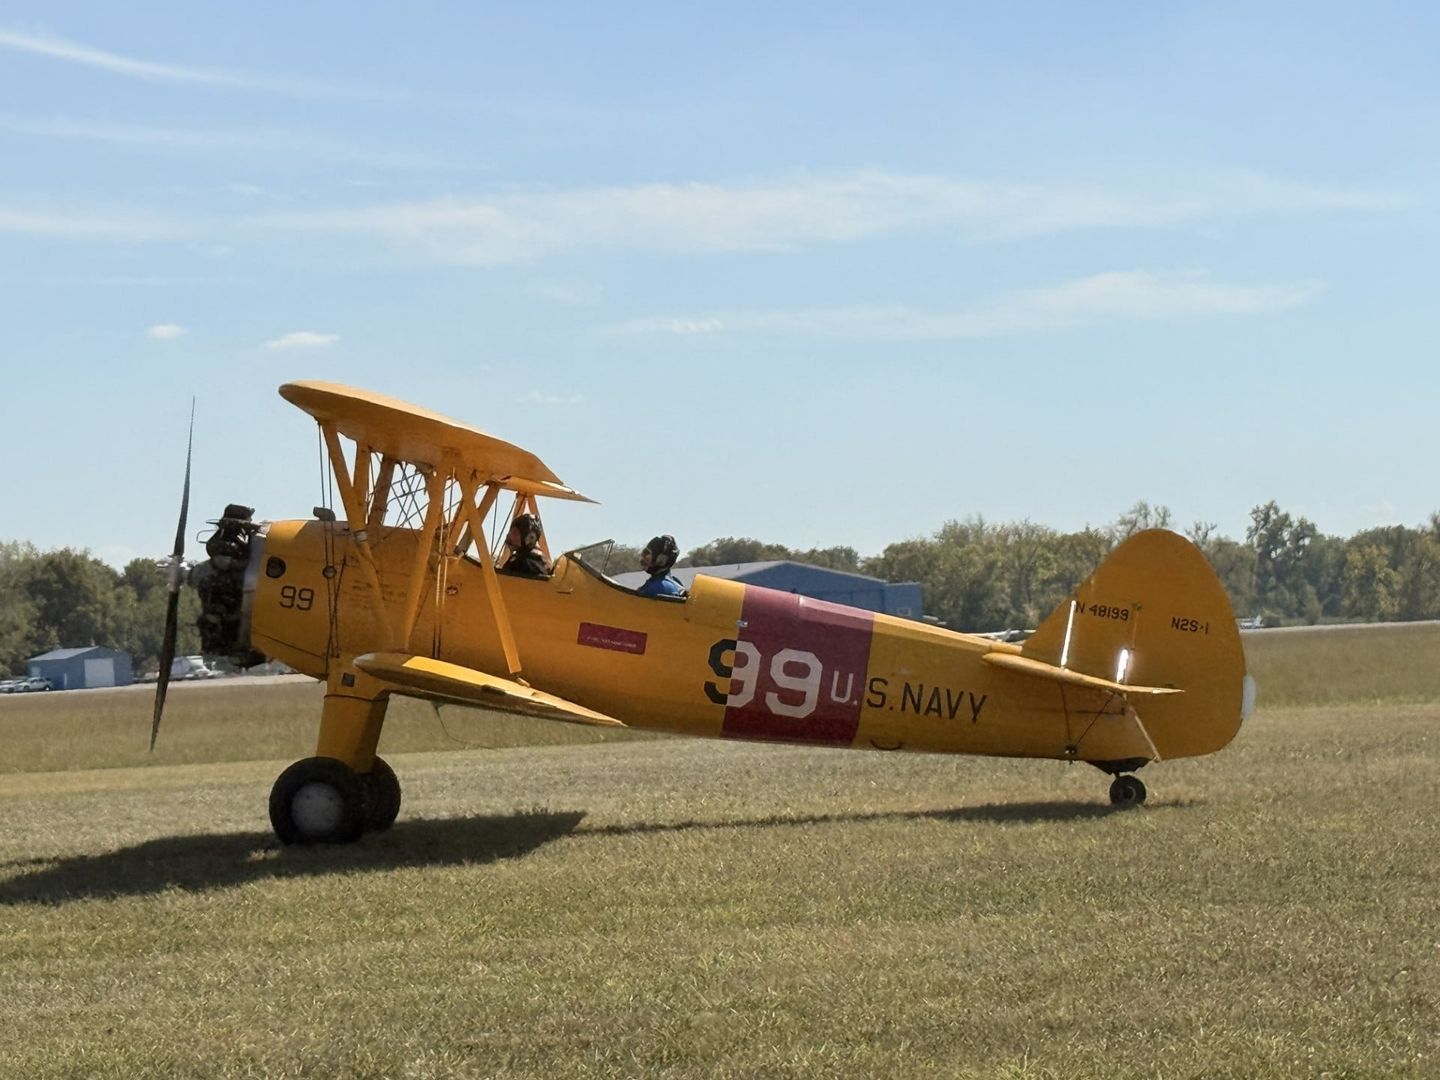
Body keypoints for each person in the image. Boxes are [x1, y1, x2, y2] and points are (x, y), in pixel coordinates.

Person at [500, 513, 551, 578]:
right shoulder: (544, 562)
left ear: (529, 538)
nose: (509, 535)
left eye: (515, 532)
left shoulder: (524, 562)